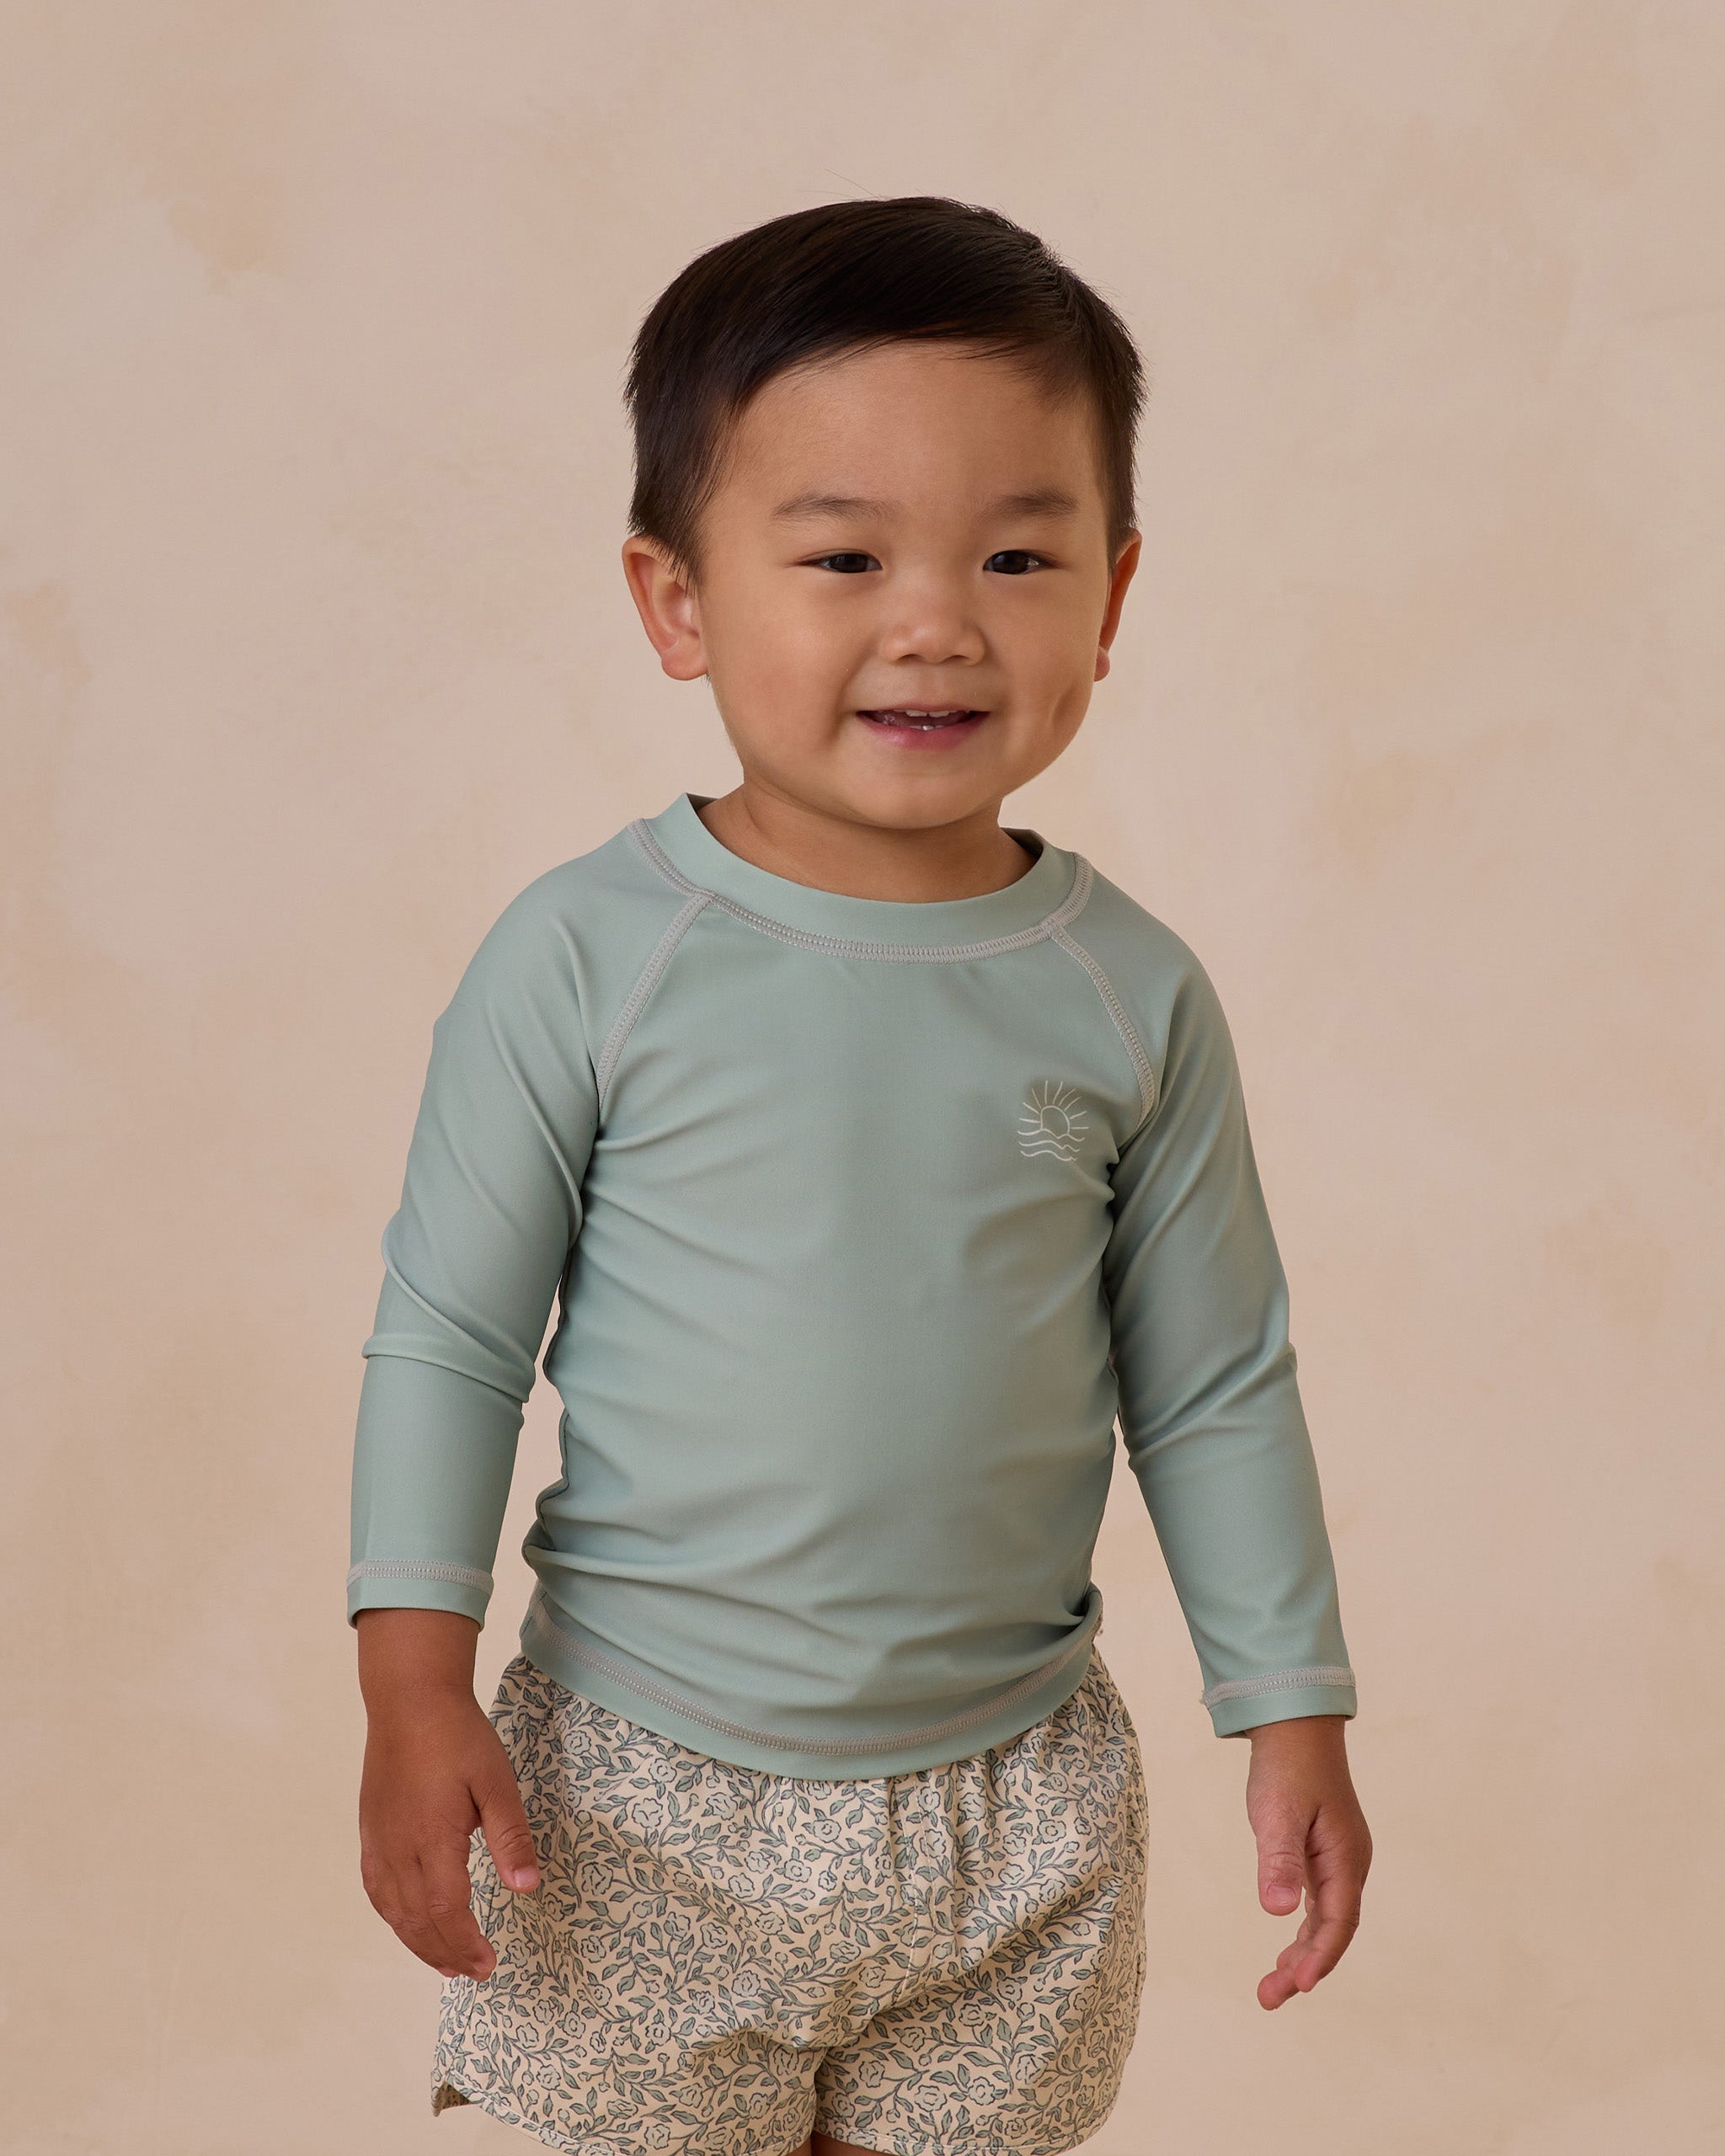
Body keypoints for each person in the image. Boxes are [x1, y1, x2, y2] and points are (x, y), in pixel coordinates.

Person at [350, 195, 1371, 2156]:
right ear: (674, 601)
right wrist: (413, 1687)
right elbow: (452, 1341)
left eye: (1016, 555)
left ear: (1113, 595)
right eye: (843, 556)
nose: (937, 622)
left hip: (1012, 1802)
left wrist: (1292, 1708)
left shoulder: (1128, 990)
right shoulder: (587, 955)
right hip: (641, 1789)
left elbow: (1215, 1379)